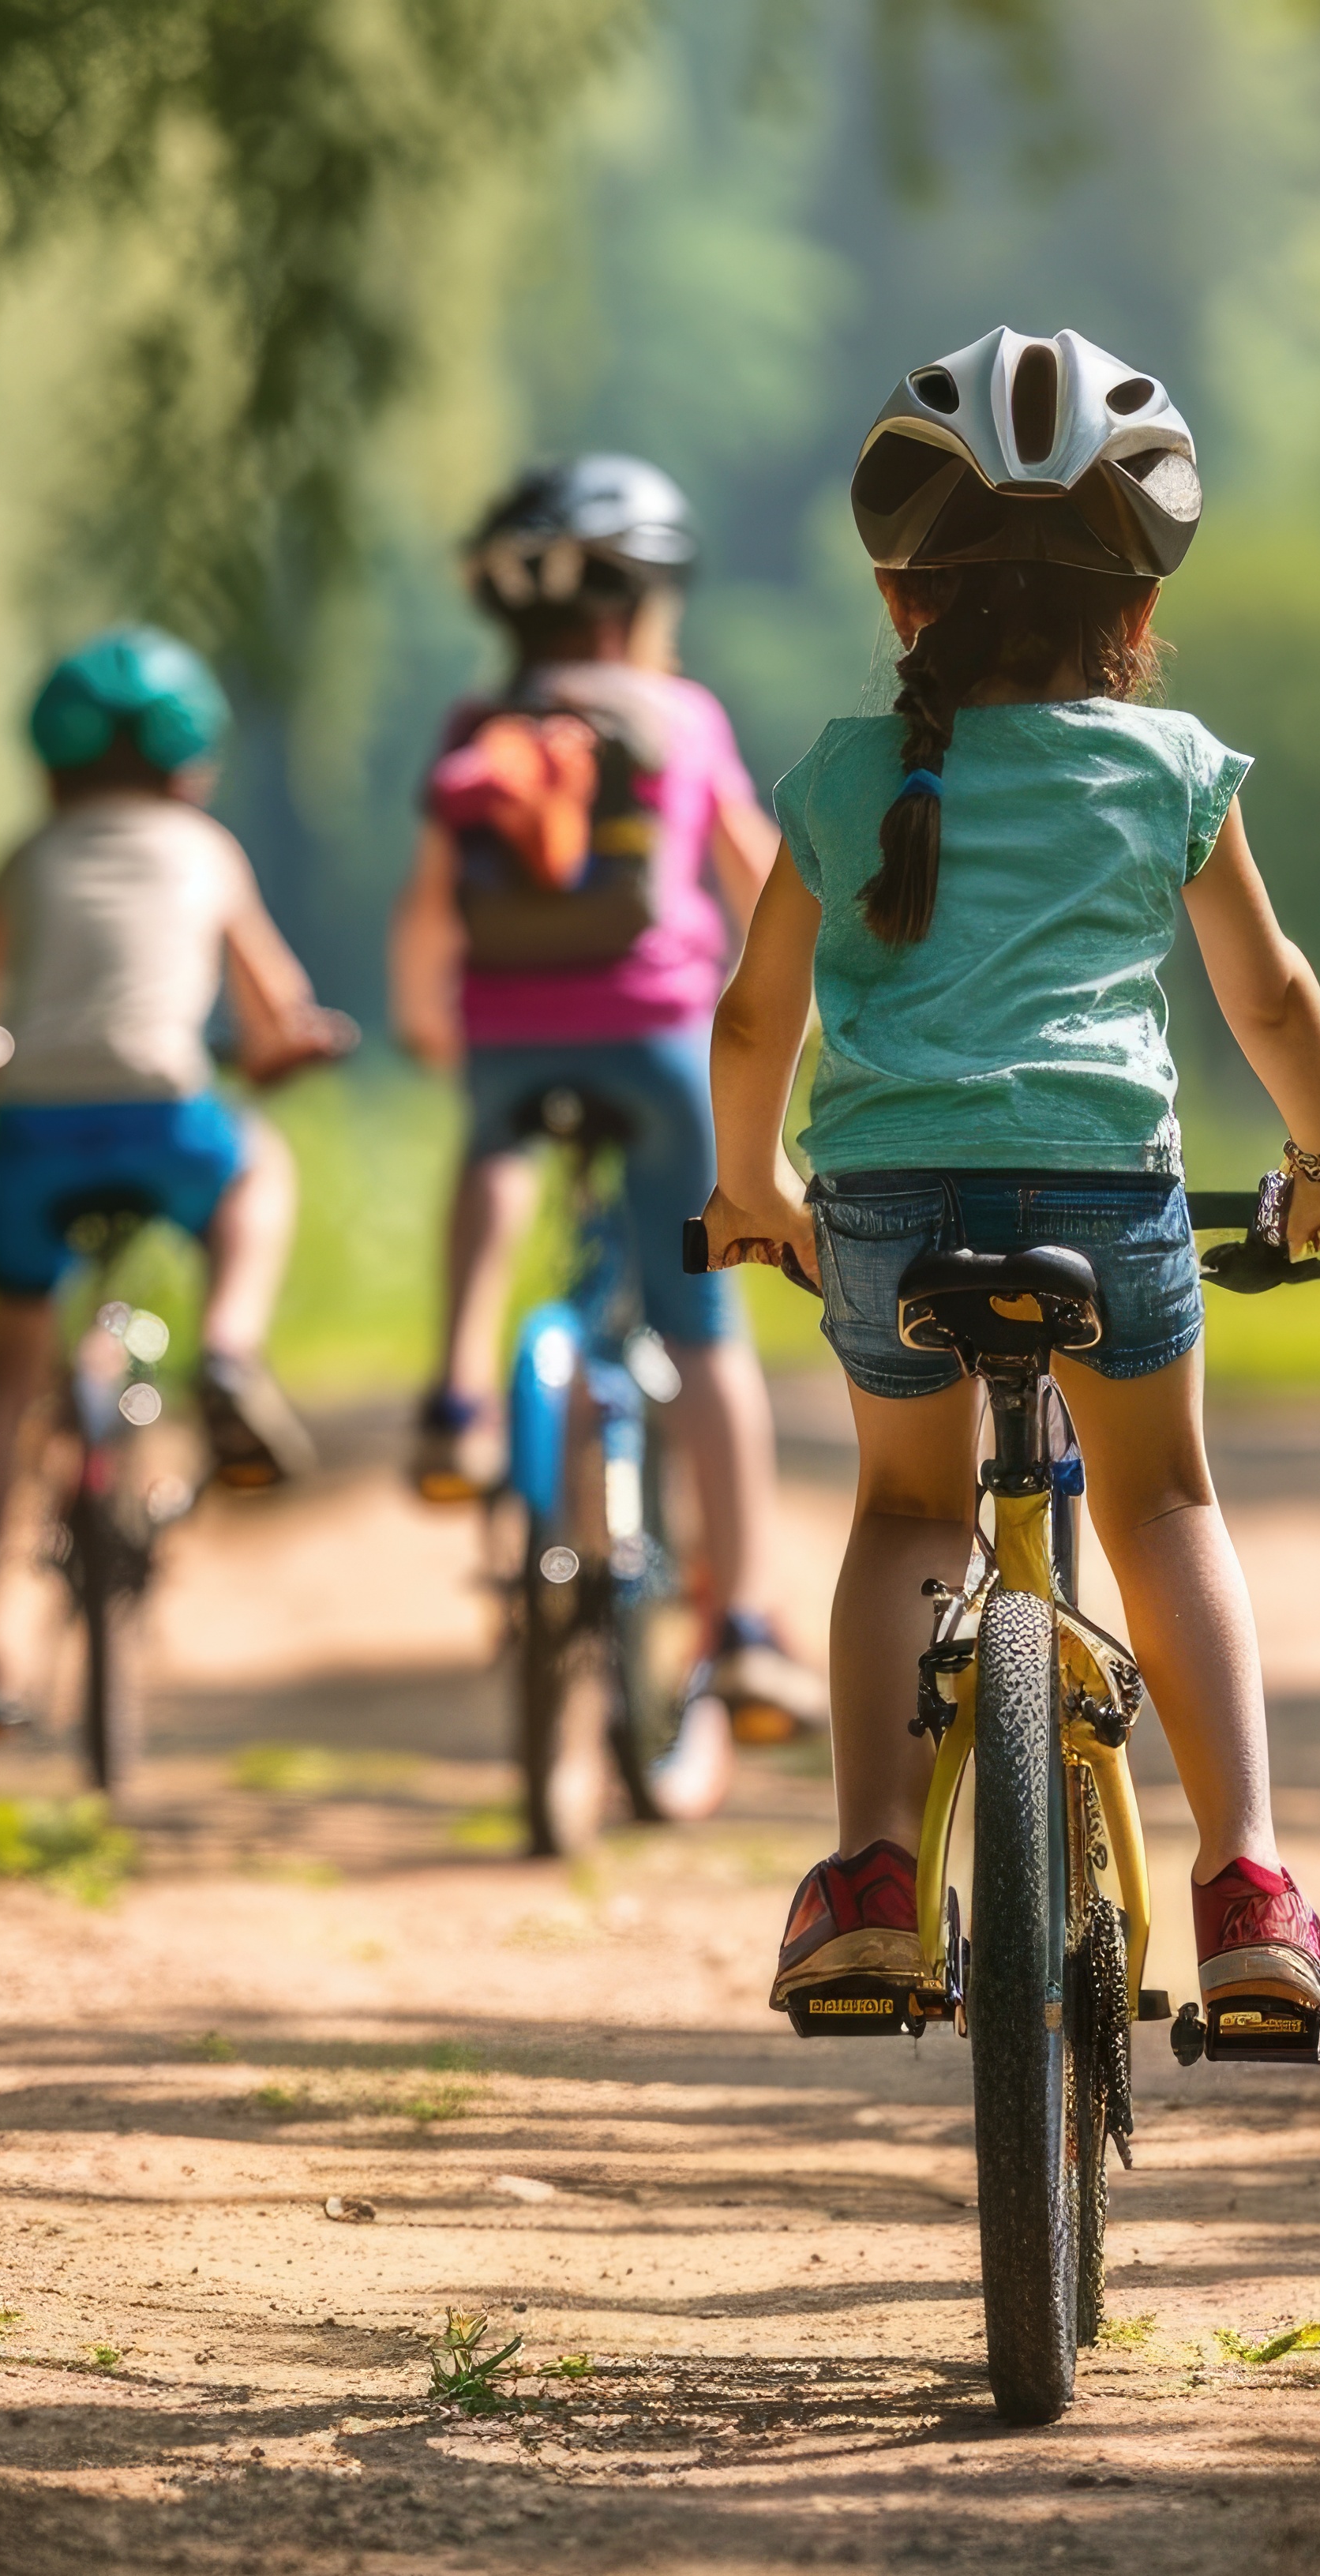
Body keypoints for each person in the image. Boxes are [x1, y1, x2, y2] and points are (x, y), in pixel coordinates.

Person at [700, 326, 1320, 2037]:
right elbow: (1268, 997)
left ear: (903, 600)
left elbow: (750, 1017)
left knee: (899, 1515)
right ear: (1132, 610)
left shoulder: (836, 770)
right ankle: (1246, 1882)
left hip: (883, 1201)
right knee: (1162, 1504)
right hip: (1104, 1193)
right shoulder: (1171, 768)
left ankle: (873, 1869)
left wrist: (757, 1193)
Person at [389, 453, 825, 1737]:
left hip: (510, 1036)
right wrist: (809, 1007)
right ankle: (741, 1622)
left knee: (494, 1158)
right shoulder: (679, 717)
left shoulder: (478, 730)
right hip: (656, 1041)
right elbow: (757, 877)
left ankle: (460, 1393)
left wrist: (432, 1021)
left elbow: (428, 907)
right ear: (645, 601)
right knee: (704, 1336)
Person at [0, 625, 344, 1741]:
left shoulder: (30, 855)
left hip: (35, 1134)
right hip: (166, 1115)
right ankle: (230, 1350)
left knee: (5, 1366)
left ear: (47, 759)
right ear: (189, 759)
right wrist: (285, 1050)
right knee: (258, 1166)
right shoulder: (205, 848)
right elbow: (275, 1013)